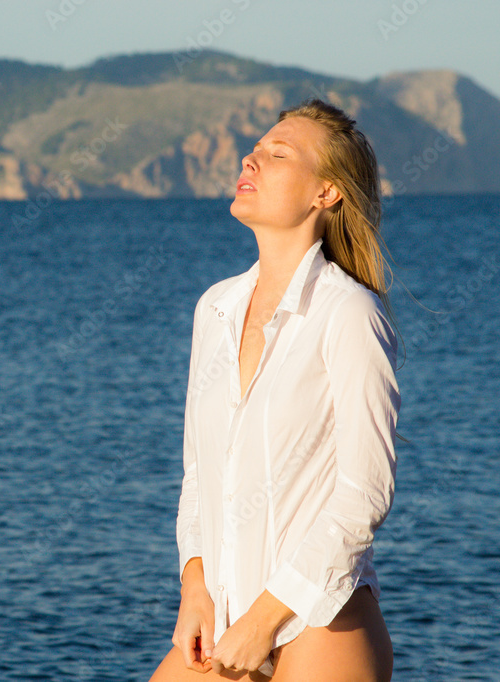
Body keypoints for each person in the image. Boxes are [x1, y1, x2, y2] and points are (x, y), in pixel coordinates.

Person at [148, 100, 401, 681]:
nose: (251, 159)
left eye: (278, 154)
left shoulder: (348, 314)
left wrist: (265, 619)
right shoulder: (214, 309)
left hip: (321, 623)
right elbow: (198, 475)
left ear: (326, 193)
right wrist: (195, 587)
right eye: (255, 149)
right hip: (225, 620)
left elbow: (365, 494)